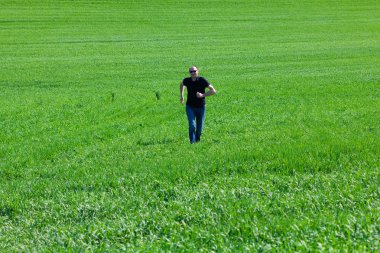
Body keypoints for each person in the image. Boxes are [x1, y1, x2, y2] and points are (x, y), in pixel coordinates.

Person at [180, 66, 216, 144]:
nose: (193, 73)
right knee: (192, 125)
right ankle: (192, 142)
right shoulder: (187, 80)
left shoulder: (202, 80)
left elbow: (213, 91)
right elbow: (182, 84)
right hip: (190, 106)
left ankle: (197, 141)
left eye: (194, 71)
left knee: (199, 128)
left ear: (198, 71)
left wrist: (202, 95)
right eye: (191, 72)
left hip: (201, 107)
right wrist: (182, 95)